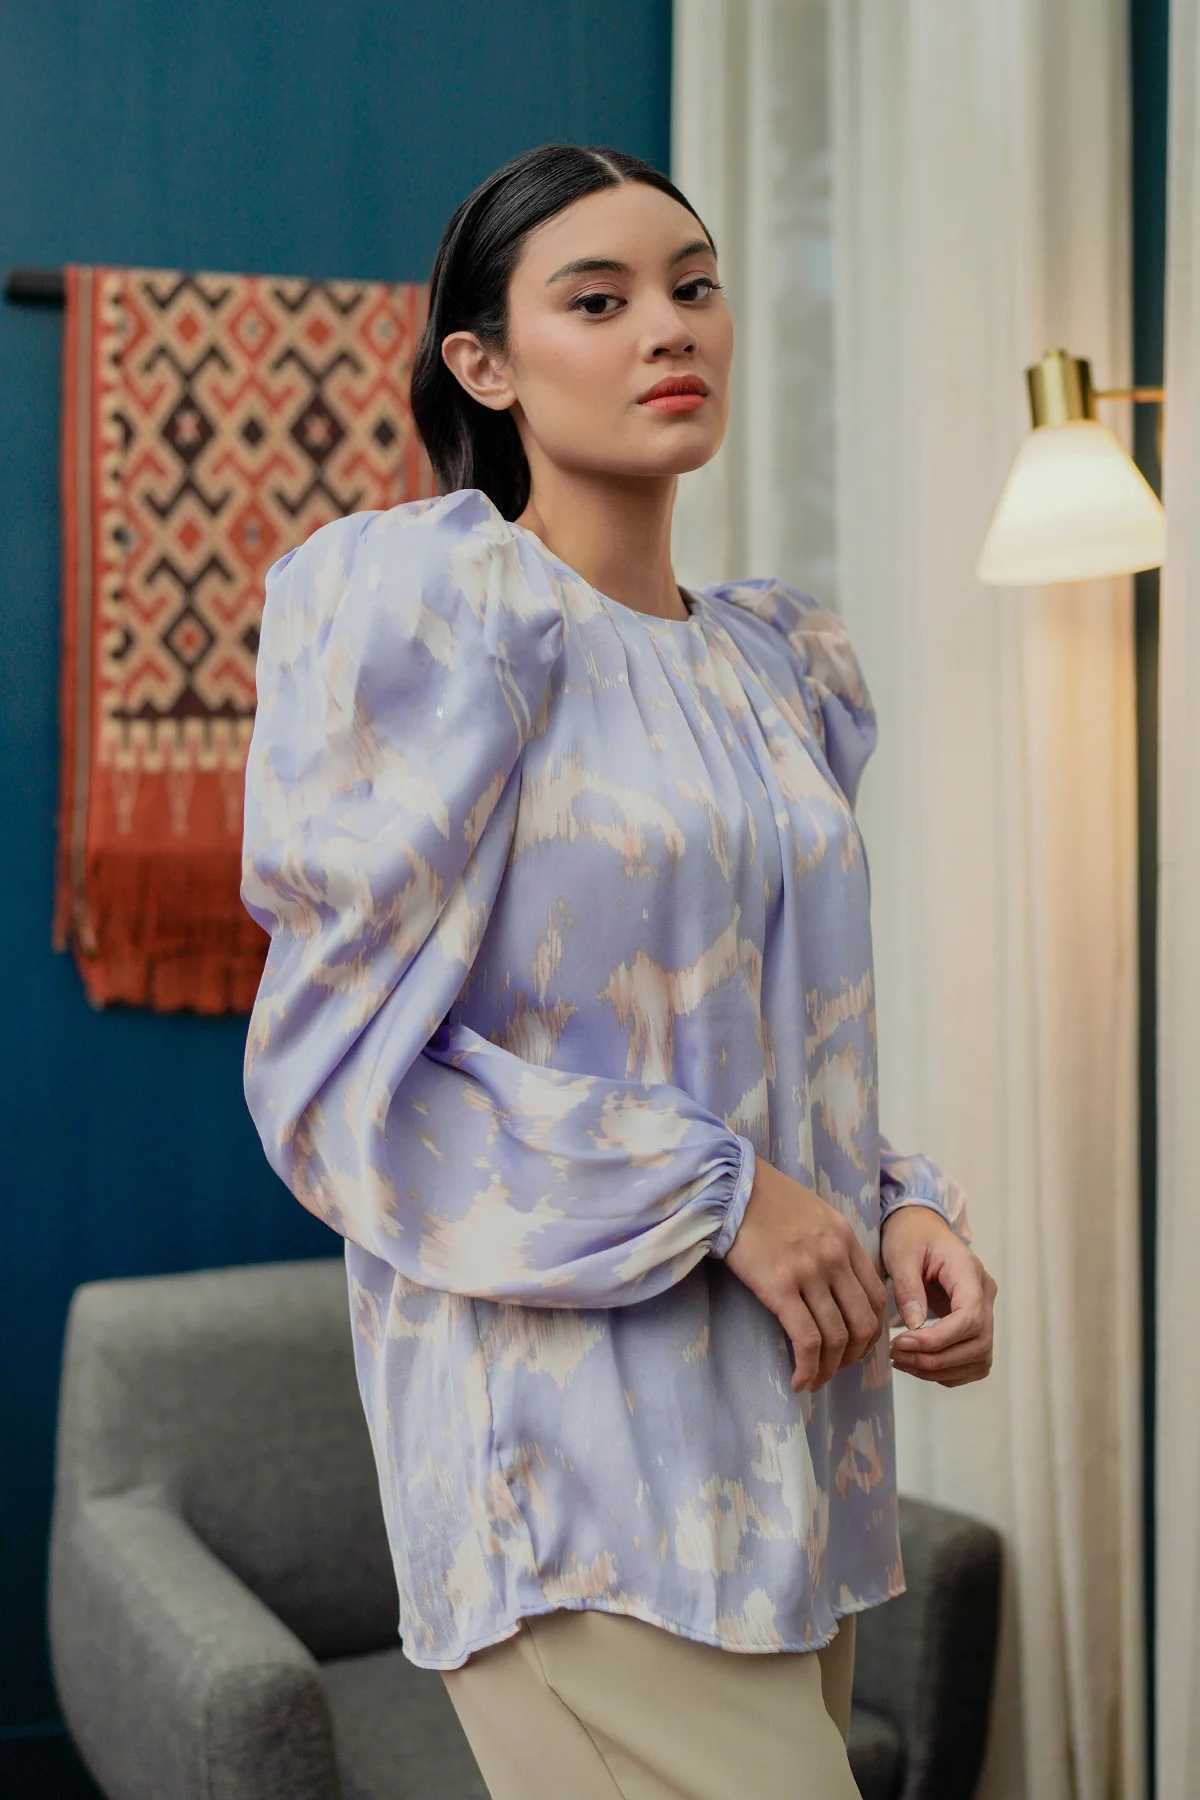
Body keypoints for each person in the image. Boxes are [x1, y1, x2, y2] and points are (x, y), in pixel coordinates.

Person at [241, 142, 997, 1800]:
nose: (670, 326)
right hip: (568, 1466)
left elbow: (764, 1030)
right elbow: (339, 1079)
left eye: (693, 285)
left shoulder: (776, 664)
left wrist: (890, 1205)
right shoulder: (432, 618)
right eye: (598, 300)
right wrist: (722, 1197)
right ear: (484, 365)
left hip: (787, 1455)